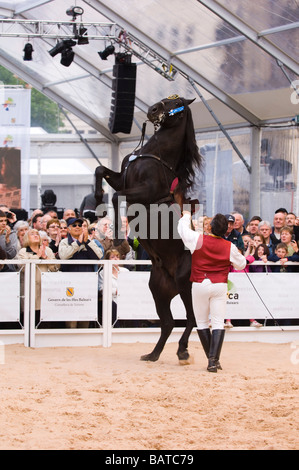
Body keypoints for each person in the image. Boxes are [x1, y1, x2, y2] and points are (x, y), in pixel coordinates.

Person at [178, 212, 246, 373]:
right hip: (219, 284)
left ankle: (212, 359)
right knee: (217, 322)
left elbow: (182, 230)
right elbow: (241, 265)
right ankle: (213, 360)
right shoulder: (229, 246)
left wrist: (186, 216)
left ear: (210, 227)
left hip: (199, 282)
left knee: (201, 322)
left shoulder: (198, 239)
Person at [58, 216, 104, 328]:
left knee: (86, 314)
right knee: (71, 314)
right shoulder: (64, 242)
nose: (77, 227)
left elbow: (99, 256)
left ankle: (85, 341)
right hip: (70, 284)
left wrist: (87, 241)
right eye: (74, 225)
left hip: (87, 284)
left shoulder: (90, 242)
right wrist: (77, 243)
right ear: (68, 229)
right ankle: (70, 340)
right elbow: (63, 256)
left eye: (80, 225)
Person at [18, 229, 59, 326]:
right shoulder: (23, 251)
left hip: (45, 291)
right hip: (29, 291)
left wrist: (45, 257)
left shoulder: (47, 250)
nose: (36, 235)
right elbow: (23, 268)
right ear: (26, 238)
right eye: (32, 234)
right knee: (29, 322)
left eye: (37, 234)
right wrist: (37, 256)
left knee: (45, 322)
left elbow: (55, 268)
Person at [98, 248, 129, 326]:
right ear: (107, 259)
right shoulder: (103, 272)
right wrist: (116, 291)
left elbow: (130, 287)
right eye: (112, 257)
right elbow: (102, 289)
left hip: (125, 299)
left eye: (117, 257)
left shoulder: (125, 271)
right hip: (111, 301)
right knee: (112, 306)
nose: (116, 259)